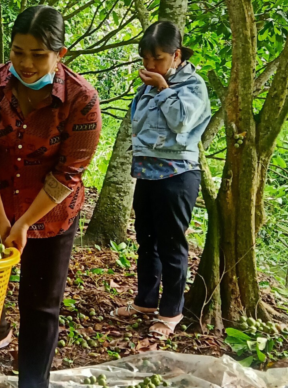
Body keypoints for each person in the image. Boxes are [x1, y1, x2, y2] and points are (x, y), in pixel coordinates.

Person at [0, 6, 102, 388]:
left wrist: (26, 222)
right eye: (18, 52)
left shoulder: (82, 98)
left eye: (38, 54)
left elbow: (69, 173)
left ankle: (32, 382)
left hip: (51, 215)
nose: (25, 63)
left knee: (41, 307)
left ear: (61, 54)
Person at [111, 20, 211, 338]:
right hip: (147, 173)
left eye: (158, 59)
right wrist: (155, 88)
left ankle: (171, 313)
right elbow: (139, 124)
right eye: (146, 60)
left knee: (171, 246)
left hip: (177, 175)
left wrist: (165, 90)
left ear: (176, 55)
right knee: (146, 242)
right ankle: (145, 302)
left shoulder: (192, 86)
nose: (150, 66)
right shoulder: (148, 85)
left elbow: (181, 123)